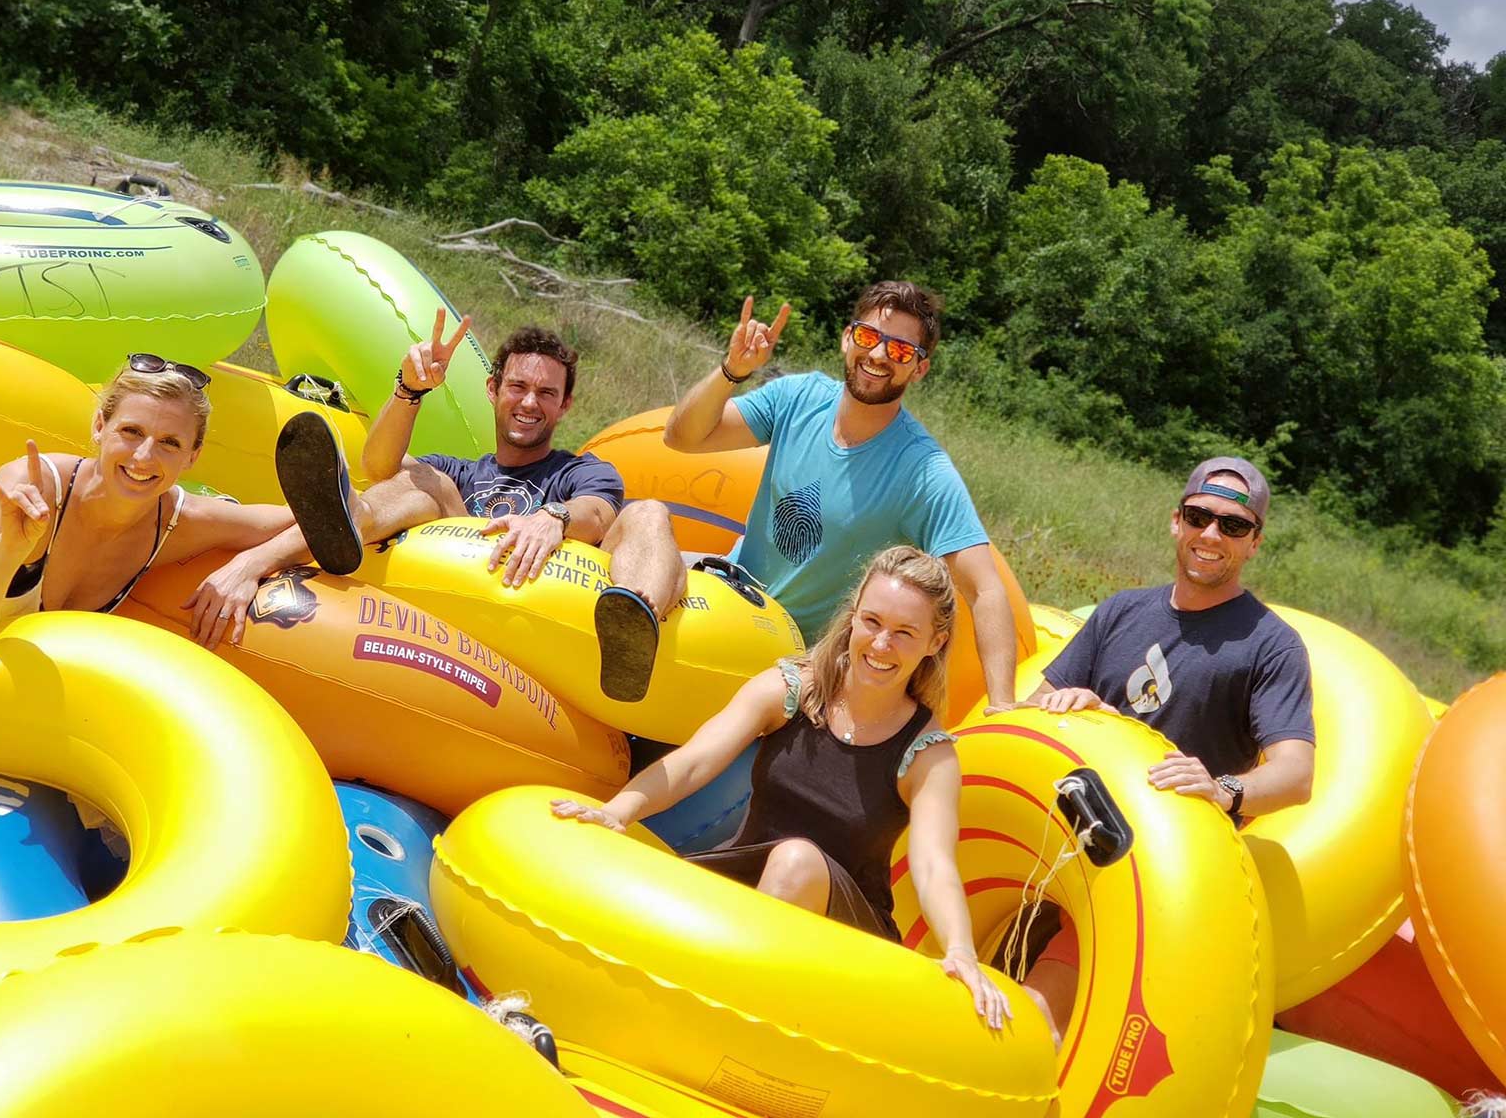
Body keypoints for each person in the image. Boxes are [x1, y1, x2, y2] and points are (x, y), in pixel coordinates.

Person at [550, 545, 1016, 1031]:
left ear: (935, 642)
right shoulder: (793, 689)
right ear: (853, 615)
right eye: (873, 622)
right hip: (747, 887)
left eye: (905, 633)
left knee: (797, 862)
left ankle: (715, 1021)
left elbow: (933, 863)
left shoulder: (928, 754)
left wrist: (961, 950)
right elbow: (696, 759)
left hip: (844, 935)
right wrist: (620, 810)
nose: (881, 645)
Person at [215, 312, 687, 701]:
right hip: (447, 630)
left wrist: (553, 517)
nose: (529, 402)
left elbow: (599, 511)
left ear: (565, 406)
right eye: (518, 386)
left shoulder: (581, 472)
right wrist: (410, 389)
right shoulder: (455, 476)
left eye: (546, 394)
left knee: (648, 513)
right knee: (418, 479)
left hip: (552, 639)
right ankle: (348, 523)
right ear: (492, 390)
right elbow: (381, 465)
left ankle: (635, 632)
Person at [1021, 455, 1316, 1044]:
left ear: (1254, 543)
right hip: (1049, 844)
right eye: (1200, 517)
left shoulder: (1271, 646)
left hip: (1145, 872)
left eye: (1233, 526)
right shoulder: (1121, 611)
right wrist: (1075, 711)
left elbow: (1295, 774)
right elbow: (1031, 710)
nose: (1211, 536)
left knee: (1033, 1022)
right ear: (1176, 521)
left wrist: (1223, 788)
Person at [663, 281, 1018, 711]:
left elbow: (985, 591)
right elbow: (682, 437)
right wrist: (732, 372)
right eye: (869, 337)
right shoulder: (800, 397)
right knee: (644, 518)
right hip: (725, 596)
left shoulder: (922, 471)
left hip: (792, 659)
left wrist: (1002, 705)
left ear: (919, 369)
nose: (880, 356)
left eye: (901, 351)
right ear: (847, 337)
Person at [0, 354, 304, 650]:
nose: (145, 457)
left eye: (170, 443)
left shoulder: (182, 522)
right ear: (100, 426)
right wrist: (8, 553)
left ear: (193, 457)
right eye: (132, 431)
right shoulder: (35, 488)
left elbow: (332, 518)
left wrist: (250, 565)